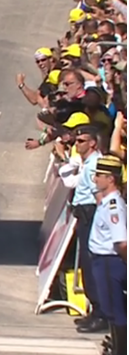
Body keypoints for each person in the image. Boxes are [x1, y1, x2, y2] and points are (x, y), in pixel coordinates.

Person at [58, 125, 107, 333]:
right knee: (86, 264)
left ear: (92, 143)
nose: (77, 145)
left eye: (81, 141)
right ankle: (95, 311)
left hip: (91, 214)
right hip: (84, 213)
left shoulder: (96, 164)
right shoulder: (88, 163)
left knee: (91, 263)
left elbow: (100, 196)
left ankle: (101, 313)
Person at [88, 154, 127, 355]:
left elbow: (121, 241)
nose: (96, 179)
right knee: (110, 309)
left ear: (111, 179)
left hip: (110, 262)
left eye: (100, 175)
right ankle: (115, 352)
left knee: (116, 310)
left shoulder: (114, 207)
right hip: (102, 261)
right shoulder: (106, 201)